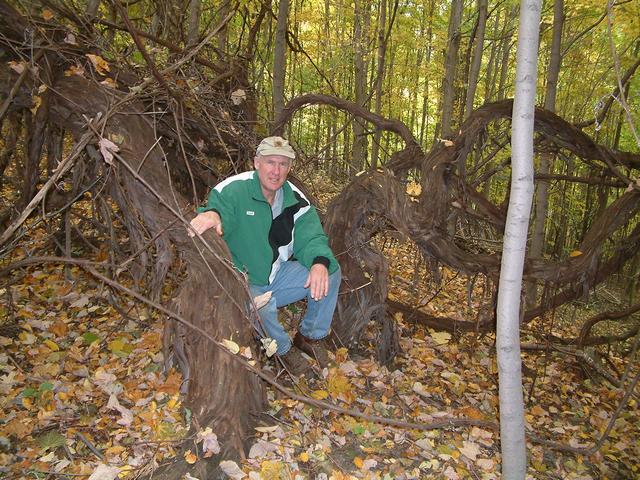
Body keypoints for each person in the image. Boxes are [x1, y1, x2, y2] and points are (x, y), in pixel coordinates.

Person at [189, 136, 341, 374]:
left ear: (289, 168)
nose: (276, 171)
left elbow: (311, 238)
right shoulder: (235, 189)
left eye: (283, 164)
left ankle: (310, 336)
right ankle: (282, 351)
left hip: (276, 278)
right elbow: (219, 210)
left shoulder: (296, 201)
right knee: (262, 306)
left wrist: (318, 262)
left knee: (329, 269)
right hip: (240, 283)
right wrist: (213, 215)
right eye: (270, 162)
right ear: (256, 163)